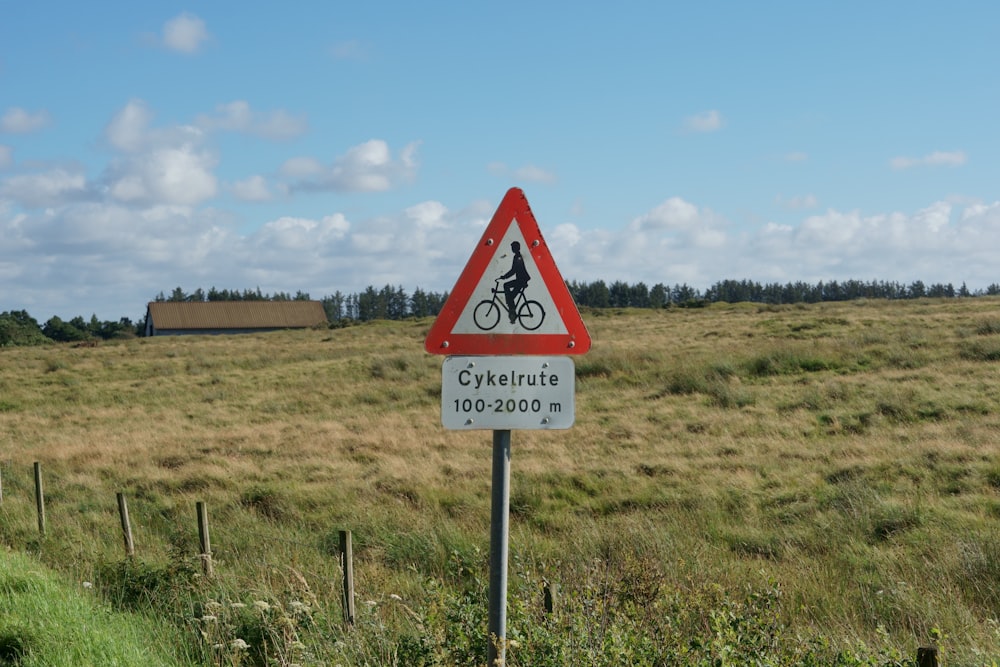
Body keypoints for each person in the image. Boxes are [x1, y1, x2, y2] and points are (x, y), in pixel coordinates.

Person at [500, 241, 530, 323]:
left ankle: (512, 311)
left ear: (516, 248)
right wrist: (505, 276)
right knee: (509, 293)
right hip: (520, 280)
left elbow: (514, 270)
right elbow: (513, 270)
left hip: (521, 281)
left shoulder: (518, 257)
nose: (512, 249)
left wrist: (505, 276)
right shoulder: (516, 256)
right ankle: (511, 309)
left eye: (513, 247)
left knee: (506, 287)